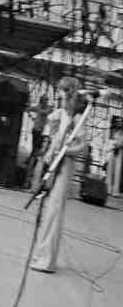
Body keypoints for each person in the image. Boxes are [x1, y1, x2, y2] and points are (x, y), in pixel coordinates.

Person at [30, 78, 89, 273]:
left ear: (69, 93)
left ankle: (47, 260)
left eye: (62, 91)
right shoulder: (61, 113)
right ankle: (42, 254)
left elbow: (83, 147)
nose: (59, 94)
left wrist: (66, 150)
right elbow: (51, 129)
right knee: (48, 211)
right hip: (53, 164)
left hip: (65, 165)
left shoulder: (77, 118)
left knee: (55, 210)